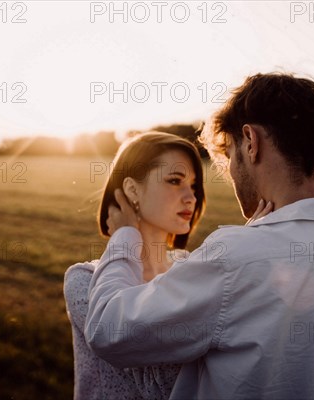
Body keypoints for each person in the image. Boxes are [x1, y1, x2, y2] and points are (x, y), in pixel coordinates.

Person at [86, 73, 314, 399]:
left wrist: (123, 235)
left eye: (229, 155)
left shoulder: (235, 257)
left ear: (251, 142)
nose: (231, 173)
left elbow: (108, 329)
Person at [64, 132, 212, 399]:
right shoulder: (84, 282)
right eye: (175, 181)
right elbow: (161, 384)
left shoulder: (190, 269)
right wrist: (126, 235)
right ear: (132, 190)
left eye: (193, 185)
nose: (191, 197)